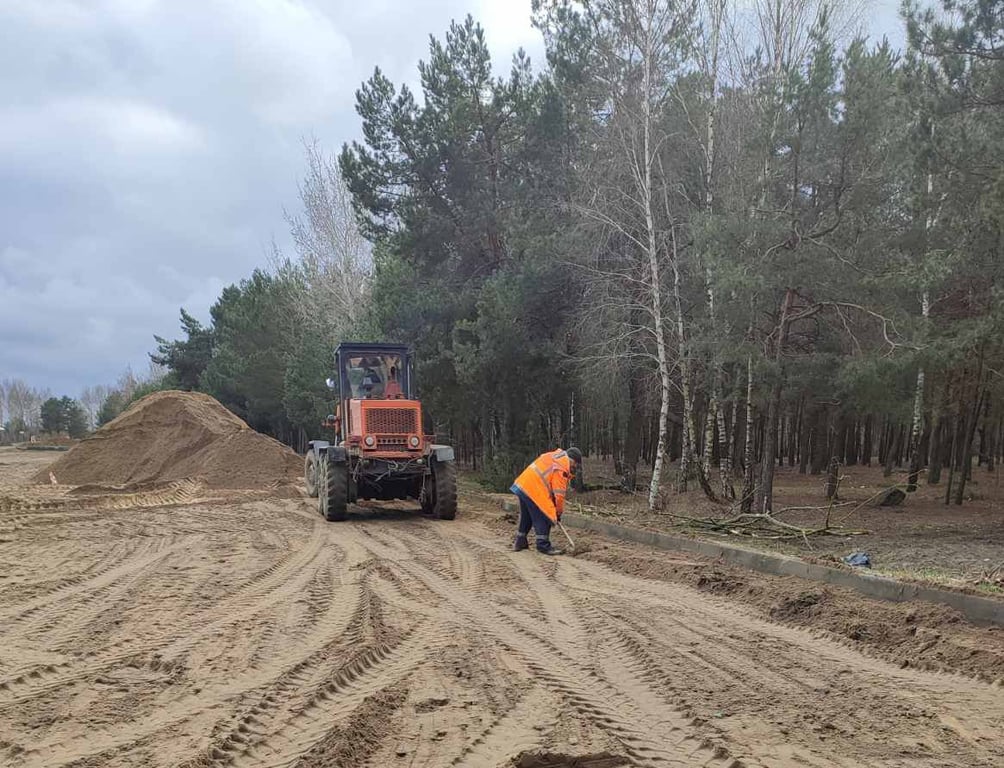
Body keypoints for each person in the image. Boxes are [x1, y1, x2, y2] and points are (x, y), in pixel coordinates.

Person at [510, 447, 582, 555]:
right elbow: (559, 494)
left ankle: (520, 541)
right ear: (571, 459)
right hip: (535, 489)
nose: (574, 467)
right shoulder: (562, 467)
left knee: (527, 516)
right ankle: (543, 545)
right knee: (544, 516)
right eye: (575, 464)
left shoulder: (554, 457)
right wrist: (557, 512)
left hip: (524, 484)